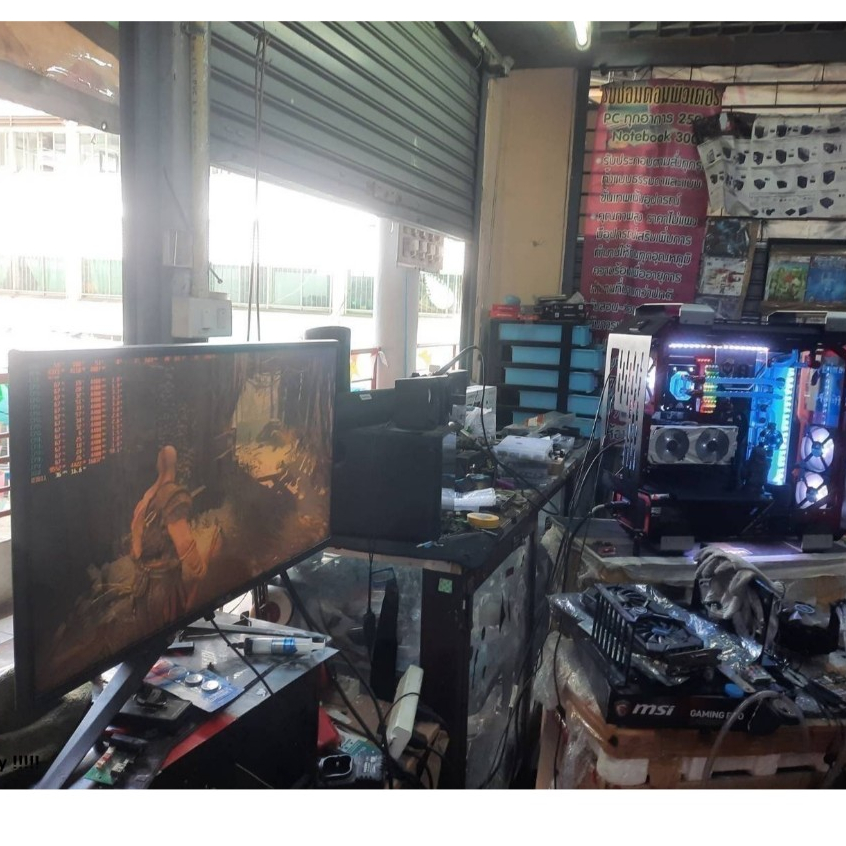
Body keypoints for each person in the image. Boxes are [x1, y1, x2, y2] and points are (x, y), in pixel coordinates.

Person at [130, 445, 212, 631]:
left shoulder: (148, 497)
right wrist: (200, 568)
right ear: (177, 464)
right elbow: (184, 543)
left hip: (142, 586)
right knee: (168, 636)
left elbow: (136, 548)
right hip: (164, 589)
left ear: (158, 465)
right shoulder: (172, 496)